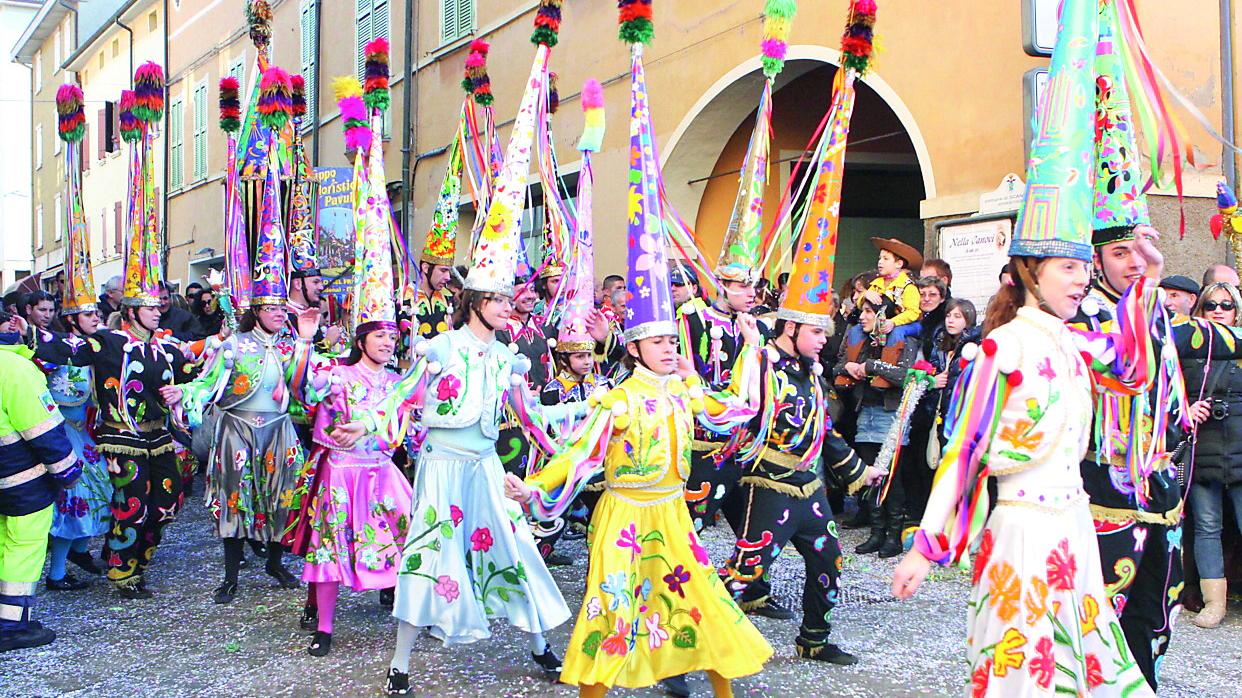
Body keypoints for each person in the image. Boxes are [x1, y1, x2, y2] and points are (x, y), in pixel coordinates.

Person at [166, 299, 324, 604]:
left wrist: (305, 341)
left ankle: (275, 563)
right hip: (237, 431)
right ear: (256, 312)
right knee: (234, 499)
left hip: (279, 430)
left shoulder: (289, 346)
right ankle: (230, 577)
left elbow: (301, 387)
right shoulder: (234, 345)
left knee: (283, 497)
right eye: (270, 309)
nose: (279, 314)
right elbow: (207, 382)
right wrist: (183, 392)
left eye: (282, 309)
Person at [0, 342, 80, 653]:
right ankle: (11, 626)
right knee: (23, 548)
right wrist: (68, 472)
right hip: (22, 480)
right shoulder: (15, 368)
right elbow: (44, 430)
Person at [834, 290, 918, 558]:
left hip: (891, 415)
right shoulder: (862, 339)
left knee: (892, 478)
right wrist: (848, 368)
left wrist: (870, 366)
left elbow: (904, 375)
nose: (863, 317)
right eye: (862, 311)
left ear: (883, 315)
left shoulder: (905, 339)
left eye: (869, 312)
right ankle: (877, 532)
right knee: (870, 475)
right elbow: (837, 367)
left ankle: (893, 536)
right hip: (865, 413)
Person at [1181, 282, 1242, 628]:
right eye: (1211, 305)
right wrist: (1185, 410)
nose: (1219, 310)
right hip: (1202, 450)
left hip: (1240, 448)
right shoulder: (1185, 352)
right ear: (1200, 310)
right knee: (1206, 526)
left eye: (1226, 305)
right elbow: (1165, 398)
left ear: (1236, 311)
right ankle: (1213, 602)